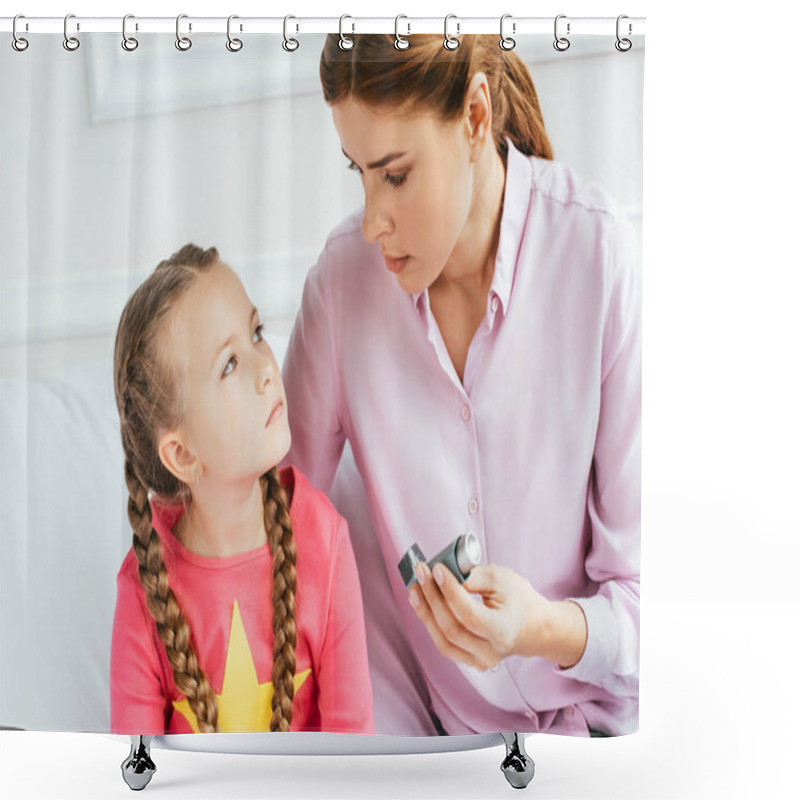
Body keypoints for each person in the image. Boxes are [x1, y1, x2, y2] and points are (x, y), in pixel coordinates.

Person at [281, 35, 640, 738]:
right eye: (358, 172)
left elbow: (656, 612)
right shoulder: (344, 287)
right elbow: (271, 530)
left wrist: (541, 627)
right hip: (451, 751)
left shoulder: (599, 256)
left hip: (606, 739)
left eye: (395, 174)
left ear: (476, 118)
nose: (372, 218)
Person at [110, 244, 373, 735]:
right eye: (229, 364)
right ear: (182, 455)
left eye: (256, 333)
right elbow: (135, 776)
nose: (267, 368)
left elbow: (355, 760)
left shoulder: (325, 542)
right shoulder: (144, 592)